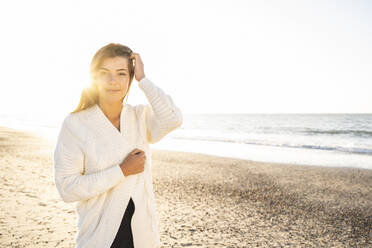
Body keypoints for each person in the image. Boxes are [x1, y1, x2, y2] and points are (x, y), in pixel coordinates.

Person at [53, 43, 183, 248]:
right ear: (93, 77)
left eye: (122, 73)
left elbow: (173, 119)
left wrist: (143, 79)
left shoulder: (140, 116)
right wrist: (122, 171)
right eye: (104, 73)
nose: (113, 81)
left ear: (129, 79)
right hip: (98, 238)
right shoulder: (75, 124)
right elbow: (67, 189)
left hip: (142, 237)